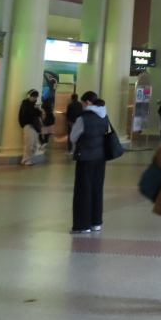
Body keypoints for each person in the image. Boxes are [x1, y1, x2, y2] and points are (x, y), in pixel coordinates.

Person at [68, 91, 109, 234]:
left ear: (88, 103)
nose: (82, 106)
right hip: (100, 157)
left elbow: (73, 137)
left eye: (83, 103)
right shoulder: (104, 115)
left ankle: (82, 225)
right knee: (97, 189)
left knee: (83, 190)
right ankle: (96, 223)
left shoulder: (83, 118)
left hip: (85, 157)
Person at [18, 90, 42, 166]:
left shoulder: (34, 105)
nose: (34, 98)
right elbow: (25, 113)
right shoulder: (25, 104)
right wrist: (34, 109)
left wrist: (37, 109)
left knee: (34, 144)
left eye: (35, 97)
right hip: (28, 125)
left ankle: (30, 158)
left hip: (35, 126)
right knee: (29, 143)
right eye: (33, 96)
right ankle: (25, 159)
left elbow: (39, 114)